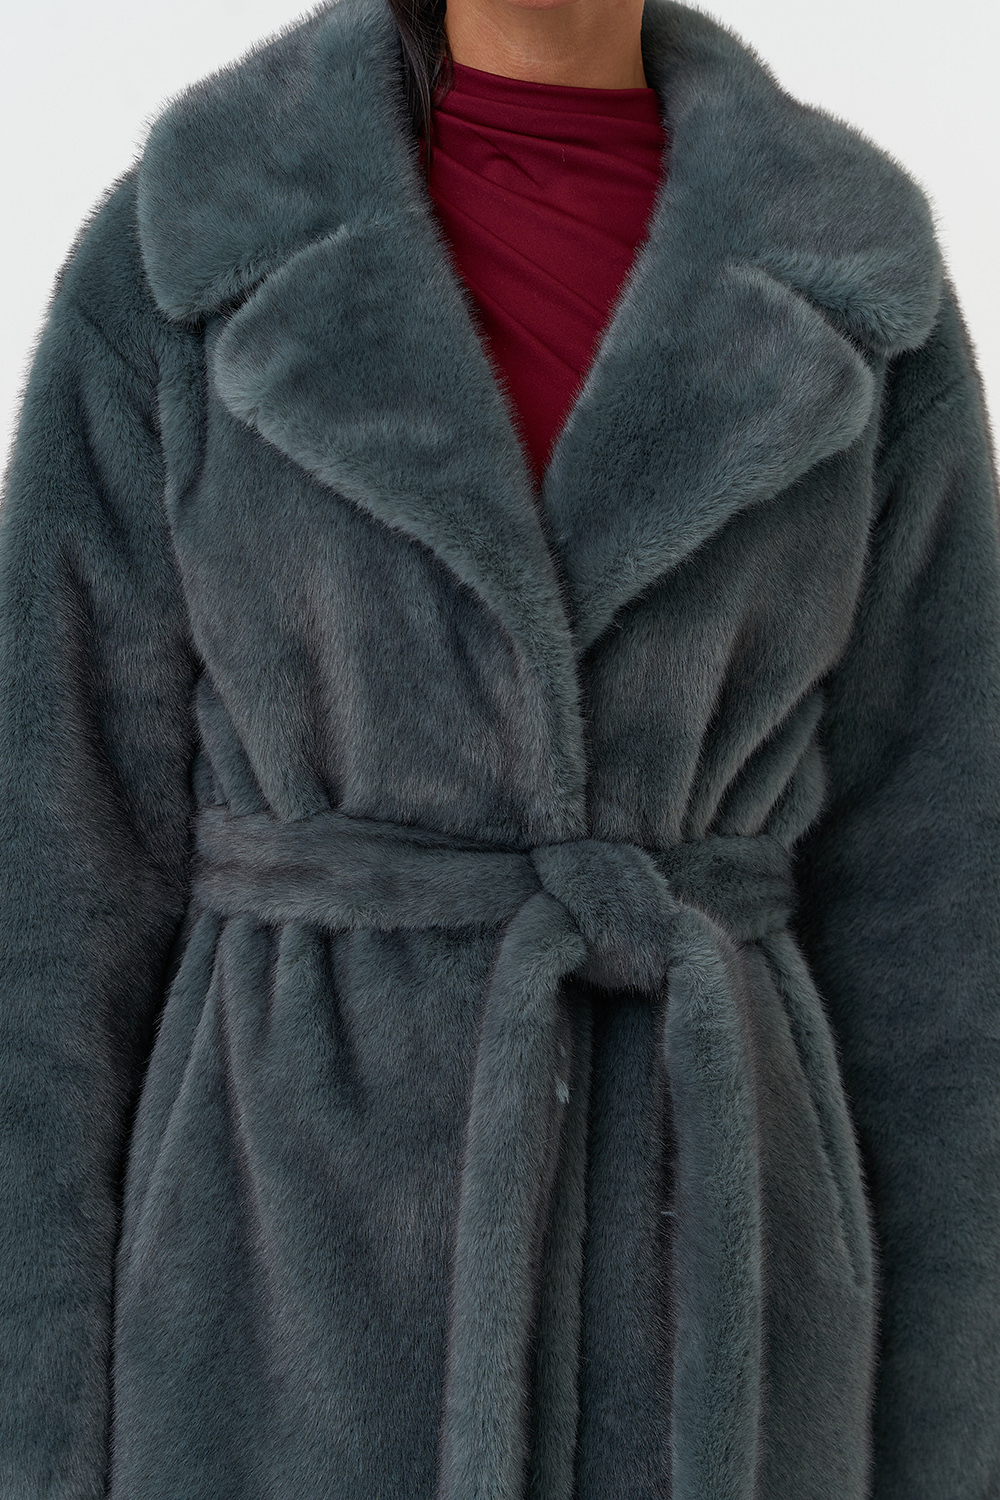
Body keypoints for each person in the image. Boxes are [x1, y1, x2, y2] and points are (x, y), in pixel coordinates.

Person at [1, 0, 997, 1495]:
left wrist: (948, 1448)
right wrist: (39, 1451)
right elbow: (51, 911)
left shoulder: (859, 281)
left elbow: (941, 936)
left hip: (723, 1318)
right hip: (274, 1317)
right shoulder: (190, 247)